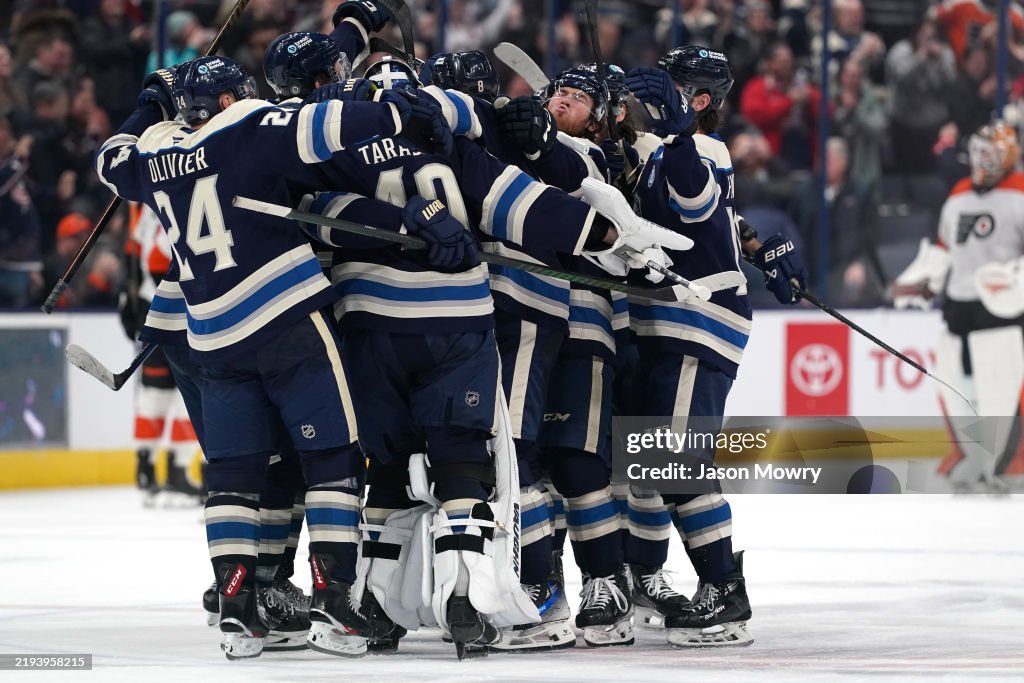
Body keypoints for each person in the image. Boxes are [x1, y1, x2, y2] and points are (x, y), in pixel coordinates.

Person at [95, 55, 415, 660]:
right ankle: (333, 596)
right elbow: (336, 125)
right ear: (225, 102)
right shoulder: (251, 127)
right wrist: (403, 107)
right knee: (332, 458)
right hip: (287, 322)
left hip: (212, 339)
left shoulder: (159, 160)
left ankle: (238, 607)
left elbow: (112, 160)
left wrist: (149, 106)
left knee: (235, 477)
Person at [624, 45, 806, 648]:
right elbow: (717, 220)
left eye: (672, 86)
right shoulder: (671, 150)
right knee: (648, 463)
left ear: (698, 100)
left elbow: (698, 202)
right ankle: (646, 578)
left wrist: (672, 141)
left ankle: (725, 593)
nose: (657, 92)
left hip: (697, 321)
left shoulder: (696, 148)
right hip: (673, 321)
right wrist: (758, 245)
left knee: (675, 464)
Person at [894, 121, 1024, 492]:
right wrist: (924, 281)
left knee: (1001, 388)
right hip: (958, 309)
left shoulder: (1020, 192)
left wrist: (1015, 278)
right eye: (979, 151)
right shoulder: (959, 194)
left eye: (990, 152)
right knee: (957, 387)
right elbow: (944, 250)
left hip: (1003, 313)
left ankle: (1007, 462)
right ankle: (972, 457)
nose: (982, 160)